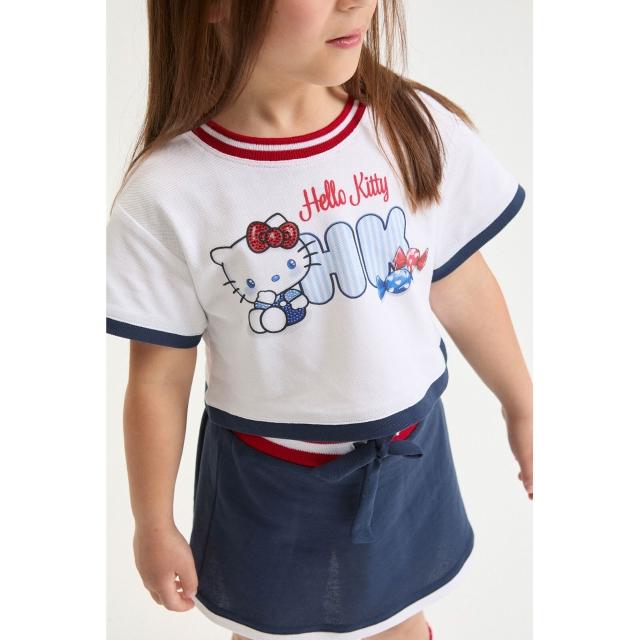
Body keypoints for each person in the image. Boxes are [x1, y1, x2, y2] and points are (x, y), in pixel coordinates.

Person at [106, 1, 533, 639]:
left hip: (407, 458)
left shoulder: (409, 125)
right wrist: (153, 521)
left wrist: (523, 404)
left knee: (401, 626)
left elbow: (459, 282)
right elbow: (158, 379)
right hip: (266, 481)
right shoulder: (168, 192)